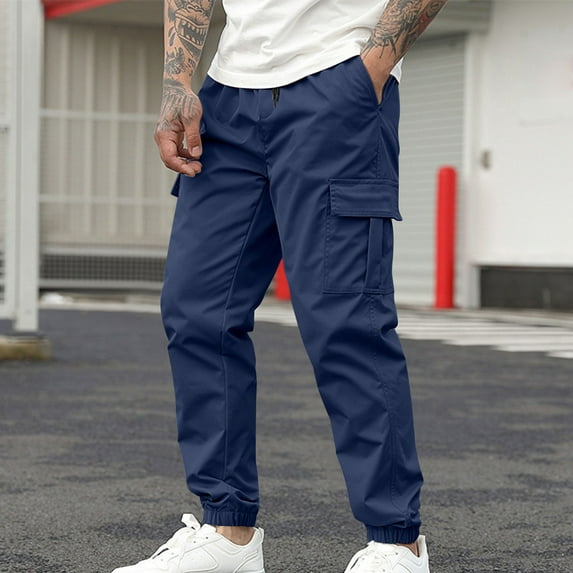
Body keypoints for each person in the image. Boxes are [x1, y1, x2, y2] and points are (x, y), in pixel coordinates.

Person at [112, 1, 449, 572]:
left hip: (336, 78)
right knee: (196, 312)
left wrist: (372, 66)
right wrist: (178, 82)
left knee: (344, 321)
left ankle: (397, 543)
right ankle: (228, 534)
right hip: (227, 94)